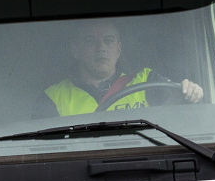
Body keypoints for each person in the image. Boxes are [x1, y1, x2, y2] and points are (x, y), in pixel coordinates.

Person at [45, 20, 204, 116]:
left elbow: (178, 113)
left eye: (109, 40)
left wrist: (190, 93)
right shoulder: (53, 98)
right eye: (90, 41)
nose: (101, 48)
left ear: (118, 49)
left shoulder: (146, 81)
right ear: (75, 50)